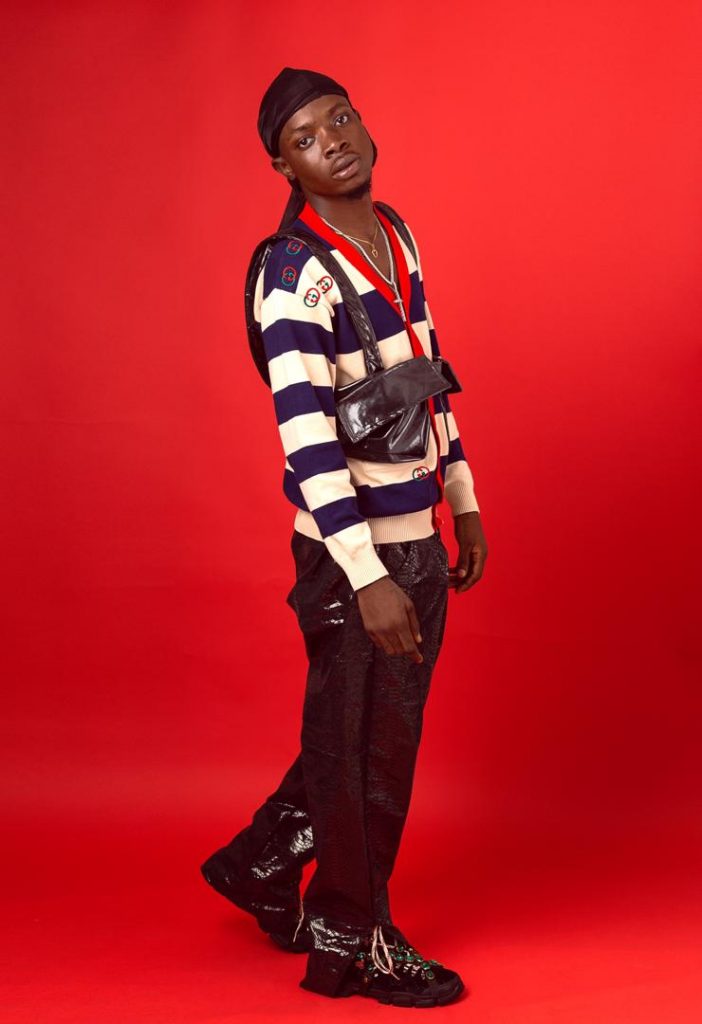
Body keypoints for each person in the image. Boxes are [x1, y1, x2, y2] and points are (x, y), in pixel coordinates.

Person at [201, 66, 488, 1007]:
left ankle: (259, 862)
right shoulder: (292, 275)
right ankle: (350, 943)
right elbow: (308, 437)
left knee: (365, 741)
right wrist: (366, 575)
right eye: (306, 138)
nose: (333, 141)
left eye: (341, 119)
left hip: (415, 537)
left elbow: (427, 370)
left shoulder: (394, 233)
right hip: (350, 554)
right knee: (366, 753)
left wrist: (461, 495)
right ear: (282, 166)